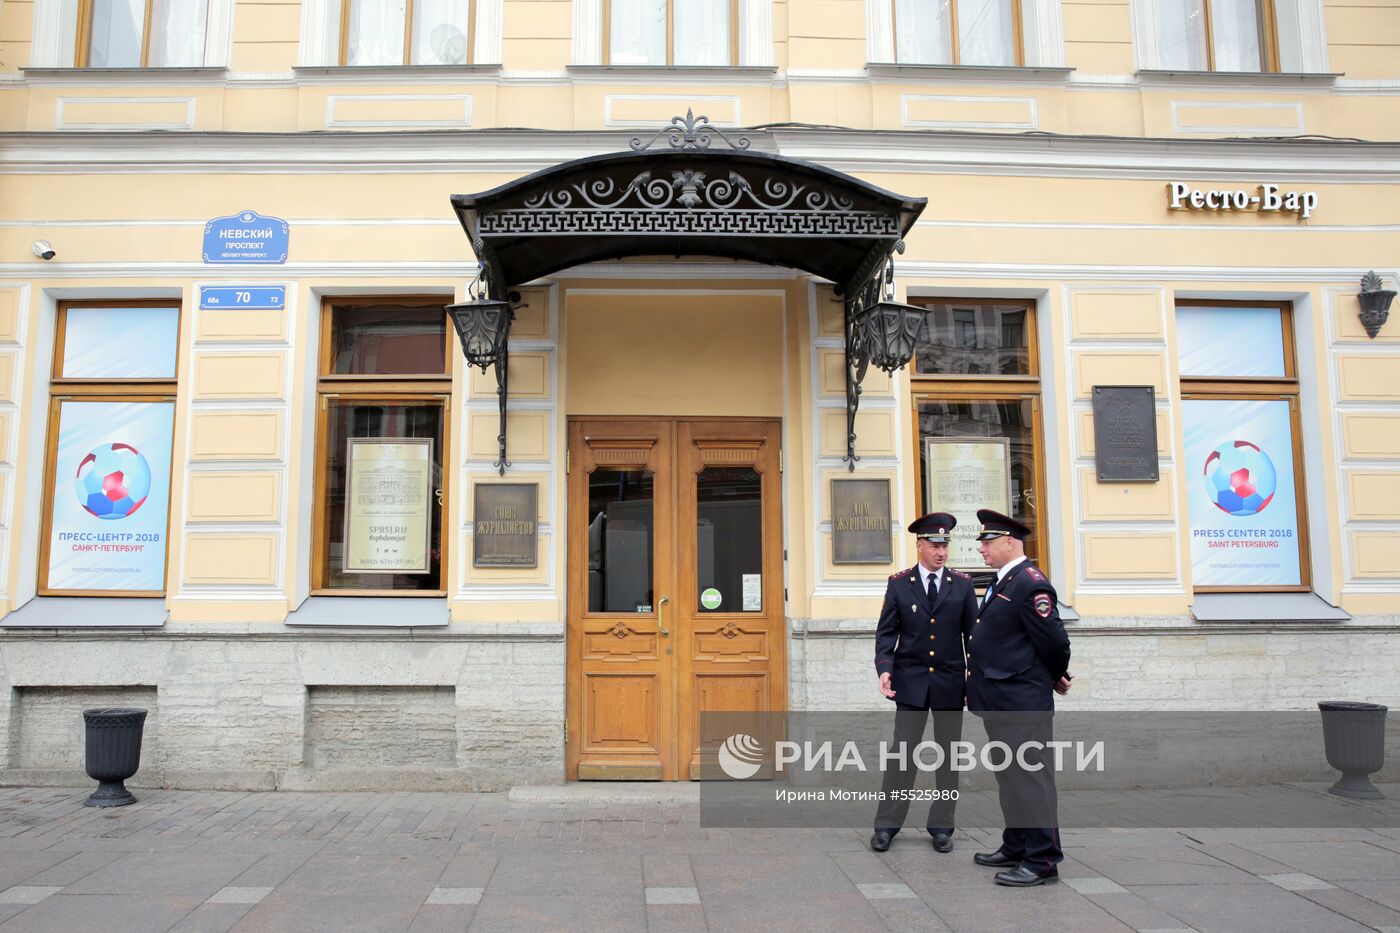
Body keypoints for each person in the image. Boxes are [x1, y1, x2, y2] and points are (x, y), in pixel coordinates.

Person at [966, 508, 1072, 887]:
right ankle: (1016, 844)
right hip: (1000, 698)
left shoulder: (1031, 584)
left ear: (1010, 543)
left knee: (1031, 779)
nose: (982, 550)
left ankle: (1043, 859)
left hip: (1023, 700)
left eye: (988, 543)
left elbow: (1055, 641)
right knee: (1010, 778)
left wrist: (1053, 675)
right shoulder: (1005, 581)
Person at [870, 512, 978, 854]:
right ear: (919, 546)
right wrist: (884, 668)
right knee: (903, 754)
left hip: (949, 682)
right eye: (934, 545)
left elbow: (972, 636)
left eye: (945, 545)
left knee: (948, 757)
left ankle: (942, 825)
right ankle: (887, 825)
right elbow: (887, 632)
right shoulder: (900, 583)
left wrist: (976, 676)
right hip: (911, 681)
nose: (941, 551)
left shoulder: (961, 584)